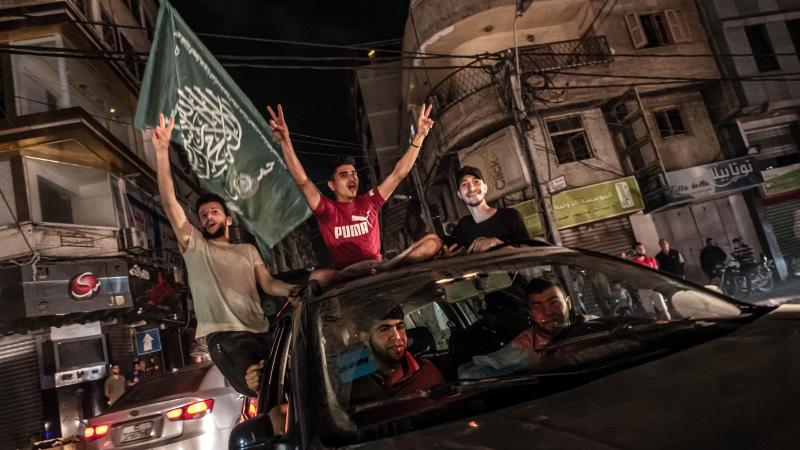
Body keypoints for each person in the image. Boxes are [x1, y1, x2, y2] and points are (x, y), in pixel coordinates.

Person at [151, 114, 298, 396]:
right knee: (264, 391)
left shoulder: (247, 250)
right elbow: (170, 203)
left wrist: (292, 289)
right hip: (228, 340)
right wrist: (161, 152)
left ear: (228, 219)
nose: (208, 217)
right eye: (204, 214)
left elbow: (268, 284)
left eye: (214, 212)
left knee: (290, 387)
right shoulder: (195, 246)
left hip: (262, 331)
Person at [266, 104, 442, 286]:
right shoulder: (327, 210)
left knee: (433, 242)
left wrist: (420, 135)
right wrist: (284, 141)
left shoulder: (370, 202)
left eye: (354, 173)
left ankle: (392, 266)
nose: (352, 178)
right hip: (345, 277)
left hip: (378, 268)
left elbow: (399, 173)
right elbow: (303, 181)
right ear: (331, 185)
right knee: (318, 277)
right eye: (344, 175)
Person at [458, 278, 575, 379]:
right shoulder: (523, 347)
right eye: (537, 307)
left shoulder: (587, 326)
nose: (548, 312)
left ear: (568, 303)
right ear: (530, 313)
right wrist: (531, 363)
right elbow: (467, 374)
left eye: (554, 303)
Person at [349, 307, 445, 404]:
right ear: (365, 338)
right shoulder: (350, 383)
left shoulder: (427, 372)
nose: (397, 337)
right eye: (384, 329)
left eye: (400, 327)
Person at [444, 165, 529, 255]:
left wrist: (496, 243)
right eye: (464, 184)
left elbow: (529, 252)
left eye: (476, 182)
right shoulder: (463, 227)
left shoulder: (510, 216)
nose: (471, 188)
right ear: (459, 194)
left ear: (485, 188)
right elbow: (454, 252)